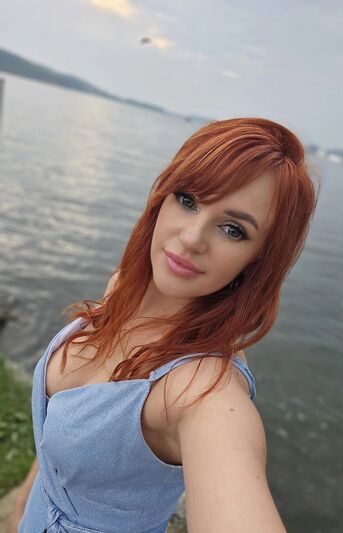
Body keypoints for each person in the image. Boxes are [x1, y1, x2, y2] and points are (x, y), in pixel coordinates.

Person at [11, 117, 318, 532]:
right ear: (162, 197)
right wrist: (29, 494)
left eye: (233, 229)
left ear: (259, 259)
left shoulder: (201, 392)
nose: (191, 237)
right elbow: (61, 433)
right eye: (188, 199)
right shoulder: (123, 290)